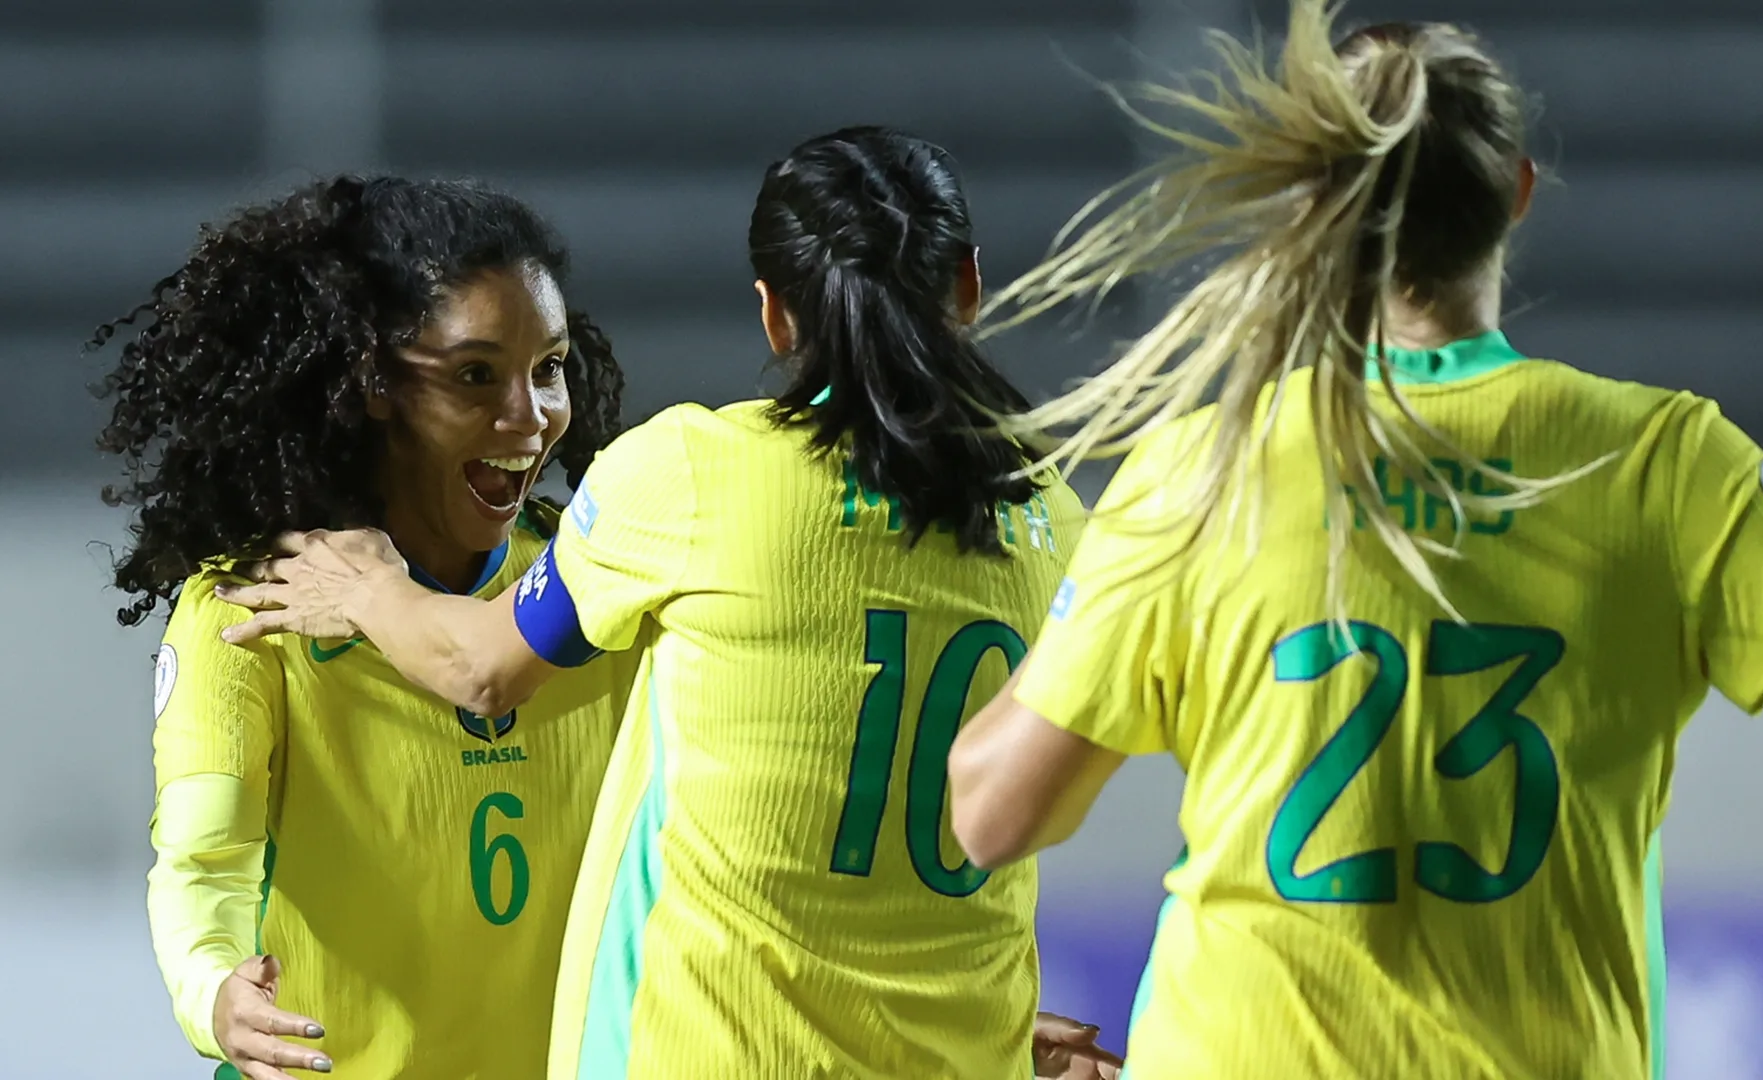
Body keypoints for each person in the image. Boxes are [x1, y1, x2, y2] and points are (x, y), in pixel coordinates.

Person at [944, 6, 1763, 1079]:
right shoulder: (1663, 465)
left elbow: (992, 814)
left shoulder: (1199, 471)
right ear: (1515, 193)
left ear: (1313, 208)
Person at [215, 128, 1120, 1079]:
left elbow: (480, 669)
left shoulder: (693, 471)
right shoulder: (1059, 521)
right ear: (969, 287)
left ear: (774, 313)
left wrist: (370, 586)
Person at [96, 175, 636, 1079]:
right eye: (475, 374)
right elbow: (203, 867)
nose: (530, 416)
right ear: (375, 384)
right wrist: (215, 992)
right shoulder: (253, 608)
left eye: (549, 368)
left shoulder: (598, 578)